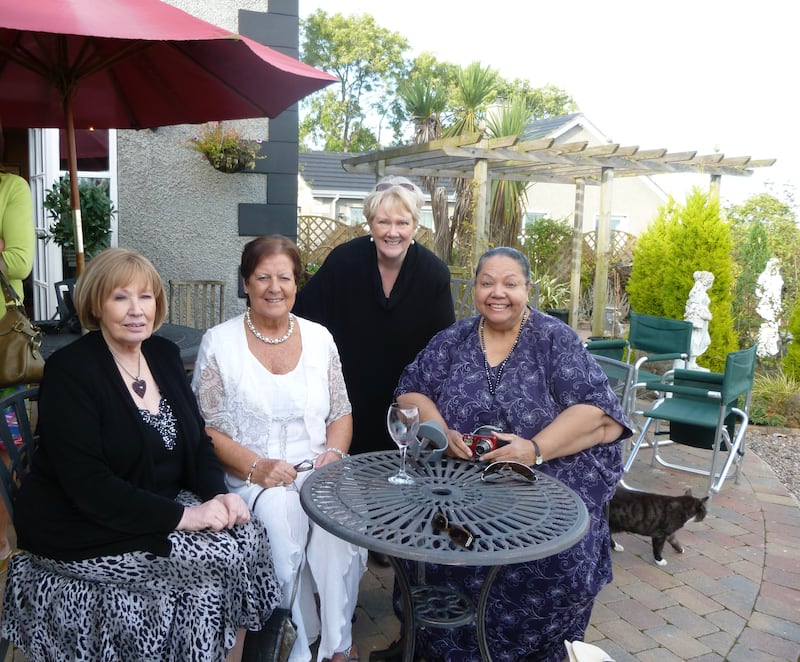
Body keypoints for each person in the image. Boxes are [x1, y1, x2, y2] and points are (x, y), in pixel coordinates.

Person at [1, 248, 280, 661]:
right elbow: (89, 486)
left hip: (153, 501)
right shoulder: (70, 371)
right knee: (218, 559)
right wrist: (186, 517)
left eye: (145, 296)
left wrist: (216, 494)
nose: (136, 310)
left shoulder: (164, 356)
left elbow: (197, 442)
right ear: (96, 304)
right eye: (120, 297)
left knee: (250, 534)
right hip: (83, 522)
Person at [395, 246, 632, 662]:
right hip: (462, 487)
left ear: (528, 288)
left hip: (545, 485)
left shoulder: (553, 339)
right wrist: (440, 428)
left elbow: (600, 414)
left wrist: (534, 448)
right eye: (487, 283)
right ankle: (445, 647)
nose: (497, 292)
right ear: (475, 288)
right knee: (436, 540)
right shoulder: (454, 339)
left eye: (510, 283)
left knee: (551, 557)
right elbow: (411, 391)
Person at [192, 235, 365, 662]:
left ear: (296, 282)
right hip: (253, 476)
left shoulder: (320, 338)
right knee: (284, 523)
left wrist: (335, 456)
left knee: (336, 531)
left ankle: (337, 645)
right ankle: (297, 649)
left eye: (284, 277)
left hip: (318, 469)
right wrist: (257, 467)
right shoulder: (219, 341)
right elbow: (208, 431)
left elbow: (341, 413)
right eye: (262, 277)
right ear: (246, 283)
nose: (274, 287)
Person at [293, 175, 455, 458]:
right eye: (384, 222)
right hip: (345, 401)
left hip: (406, 405)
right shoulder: (343, 262)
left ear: (415, 225)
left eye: (402, 223)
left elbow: (443, 350)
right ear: (370, 224)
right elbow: (304, 321)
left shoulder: (434, 274)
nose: (393, 232)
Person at [0, 128, 36, 572]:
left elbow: (20, 261)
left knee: (9, 442)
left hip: (1, 343)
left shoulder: (11, 187)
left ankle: (7, 534)